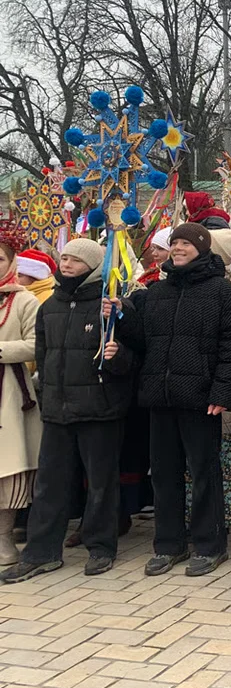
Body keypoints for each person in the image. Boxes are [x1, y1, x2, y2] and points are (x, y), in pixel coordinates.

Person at [0, 239, 135, 582]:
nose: (67, 264)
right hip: (57, 408)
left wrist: (117, 355)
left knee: (101, 483)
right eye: (66, 258)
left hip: (99, 408)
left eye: (76, 259)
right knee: (50, 484)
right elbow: (42, 355)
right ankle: (41, 552)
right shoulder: (51, 306)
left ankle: (101, 546)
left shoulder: (108, 305)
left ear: (92, 266)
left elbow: (131, 358)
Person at [126, 222, 231, 578]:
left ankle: (210, 544)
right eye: (174, 243)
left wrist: (224, 392)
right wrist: (119, 317)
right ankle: (168, 545)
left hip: (201, 398)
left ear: (201, 248)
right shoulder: (157, 292)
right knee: (163, 475)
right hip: (161, 397)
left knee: (203, 473)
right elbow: (143, 341)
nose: (178, 248)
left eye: (185, 243)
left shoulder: (223, 293)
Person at [0, 223, 42, 567]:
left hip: (10, 392)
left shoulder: (25, 300)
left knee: (8, 467)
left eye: (0, 259)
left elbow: (35, 345)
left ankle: (4, 539)